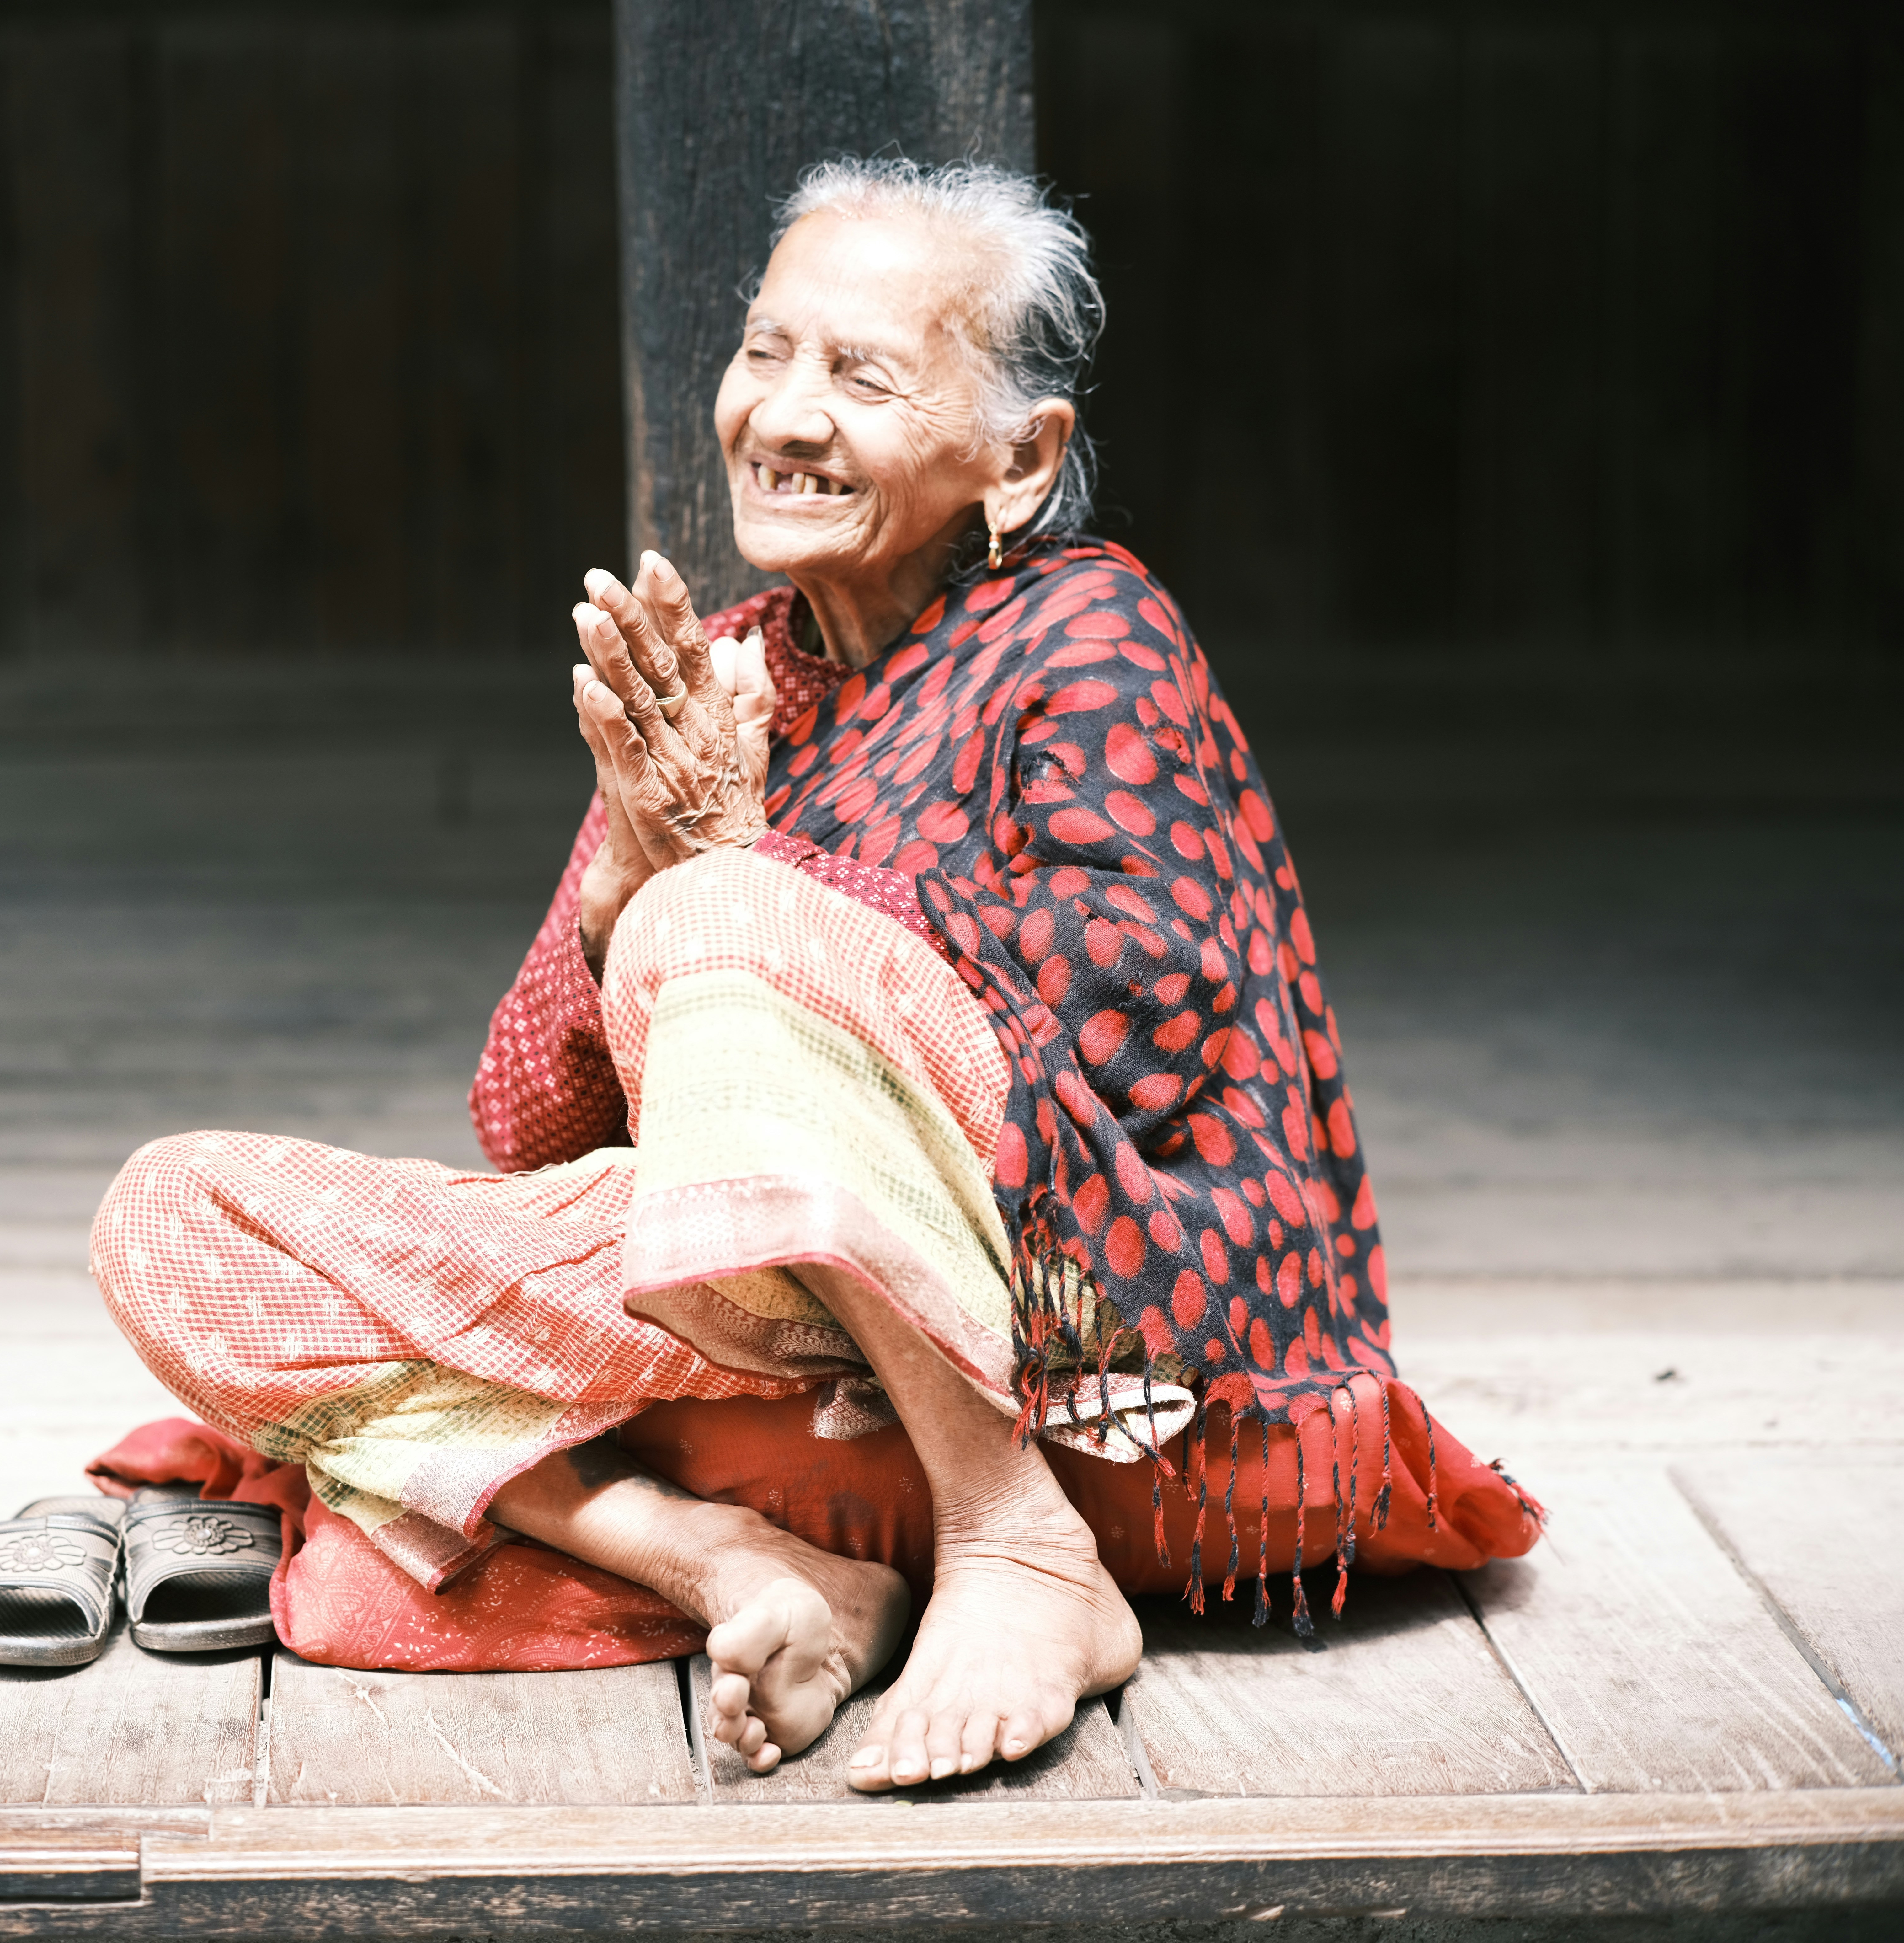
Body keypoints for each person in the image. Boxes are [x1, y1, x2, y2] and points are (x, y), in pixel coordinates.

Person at [90, 158, 1541, 1793]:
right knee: (174, 1218)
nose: (784, 415)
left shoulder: (1089, 630)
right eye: (768, 352)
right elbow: (529, 1127)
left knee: (717, 926)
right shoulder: (725, 676)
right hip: (774, 1335)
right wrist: (632, 875)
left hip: (1102, 1372)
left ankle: (1014, 1550)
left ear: (1020, 459)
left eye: (861, 374)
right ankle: (742, 1571)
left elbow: (1122, 1031)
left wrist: (730, 876)